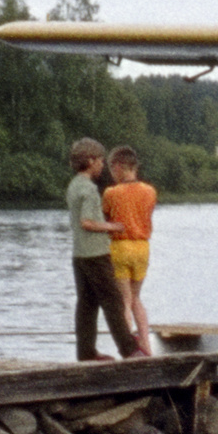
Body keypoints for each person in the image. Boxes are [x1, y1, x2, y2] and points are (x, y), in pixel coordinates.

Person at [66, 138, 141, 361]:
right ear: (90, 161)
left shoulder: (73, 185)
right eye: (99, 161)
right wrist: (112, 226)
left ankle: (86, 352)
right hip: (96, 254)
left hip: (79, 255)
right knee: (113, 301)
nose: (102, 165)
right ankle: (129, 350)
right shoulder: (89, 189)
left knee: (87, 304)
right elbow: (87, 222)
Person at [103, 146, 157, 356]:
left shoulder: (111, 192)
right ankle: (147, 345)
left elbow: (107, 216)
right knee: (136, 298)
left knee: (123, 300)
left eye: (111, 169)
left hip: (121, 247)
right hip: (143, 247)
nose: (111, 174)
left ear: (118, 167)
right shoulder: (150, 191)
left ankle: (128, 348)